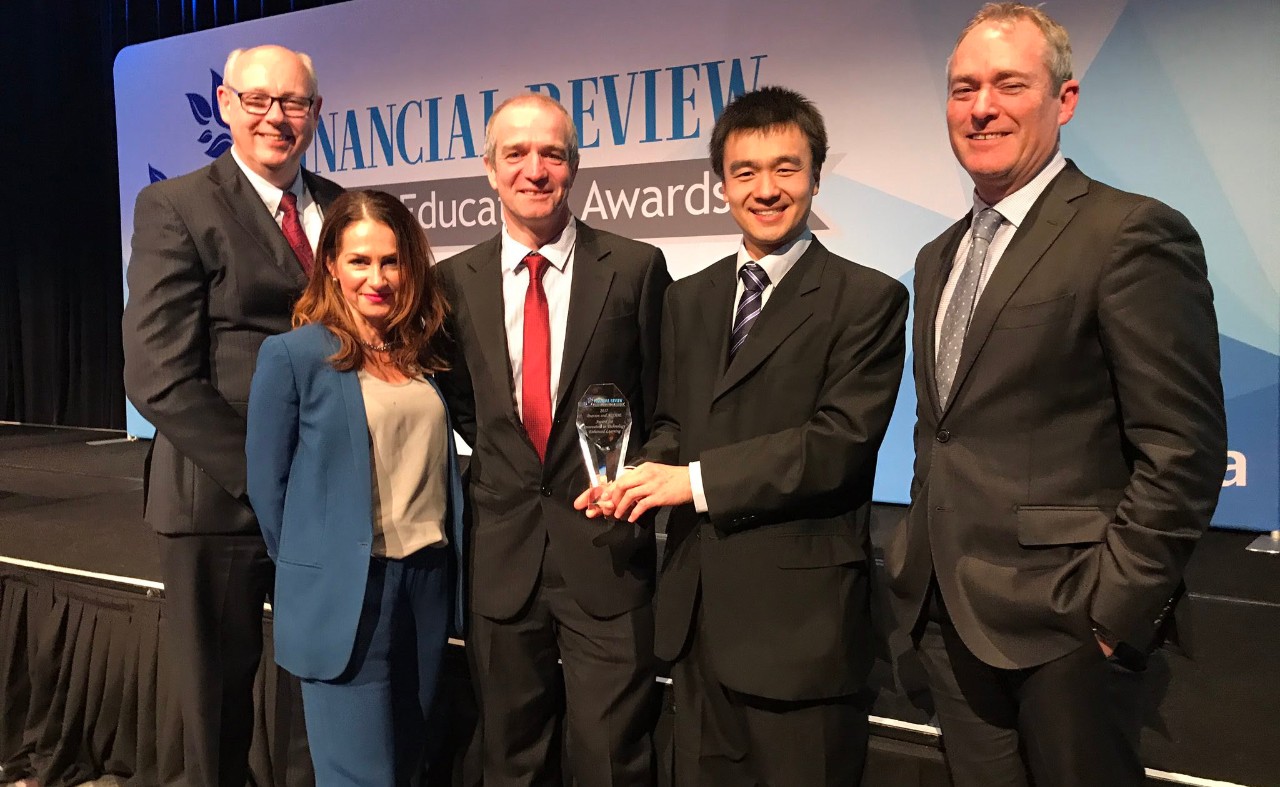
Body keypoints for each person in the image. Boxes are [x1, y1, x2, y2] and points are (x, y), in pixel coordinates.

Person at [883, 4, 1228, 785]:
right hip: (948, 620)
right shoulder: (938, 255)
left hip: (1067, 628)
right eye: (963, 87)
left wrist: (1109, 617)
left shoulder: (1129, 232)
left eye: (1009, 84)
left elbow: (1184, 448)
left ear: (1063, 100)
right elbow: (947, 433)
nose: (981, 107)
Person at [582, 86, 908, 787]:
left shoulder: (869, 298)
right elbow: (674, 422)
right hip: (698, 622)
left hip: (801, 633)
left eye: (786, 168)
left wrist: (691, 481)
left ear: (817, 176)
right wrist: (641, 473)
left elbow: (838, 443)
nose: (766, 189)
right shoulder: (688, 297)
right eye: (745, 171)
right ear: (721, 184)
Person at [122, 44, 342, 786]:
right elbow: (157, 373)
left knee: (323, 690)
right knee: (214, 710)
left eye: (295, 103)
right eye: (258, 100)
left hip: (328, 497)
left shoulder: (344, 209)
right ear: (225, 106)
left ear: (316, 113)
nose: (277, 118)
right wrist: (264, 474)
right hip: (217, 497)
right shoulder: (176, 205)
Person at [434, 93, 670, 787]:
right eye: (516, 154)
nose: (534, 170)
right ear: (488, 168)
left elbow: (665, 407)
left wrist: (638, 480)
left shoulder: (635, 267)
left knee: (611, 758)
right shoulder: (453, 282)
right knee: (511, 755)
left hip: (606, 553)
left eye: (552, 154)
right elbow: (467, 409)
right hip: (501, 557)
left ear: (575, 165)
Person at [245, 189, 463, 785]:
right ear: (331, 266)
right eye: (360, 261)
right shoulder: (293, 356)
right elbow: (269, 489)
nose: (378, 277)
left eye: (391, 261)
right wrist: (316, 567)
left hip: (425, 582)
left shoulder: (420, 351)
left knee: (412, 762)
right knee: (360, 775)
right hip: (349, 593)